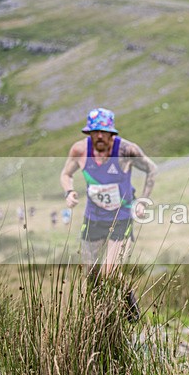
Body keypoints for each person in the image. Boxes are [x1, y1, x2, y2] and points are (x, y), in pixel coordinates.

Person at [60, 107, 157, 322]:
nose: (100, 136)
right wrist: (69, 191)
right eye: (95, 132)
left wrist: (143, 200)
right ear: (89, 133)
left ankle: (129, 301)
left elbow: (151, 168)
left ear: (112, 132)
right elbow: (66, 174)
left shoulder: (126, 150)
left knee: (110, 272)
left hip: (121, 218)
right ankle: (99, 320)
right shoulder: (79, 150)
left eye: (105, 132)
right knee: (91, 275)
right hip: (92, 219)